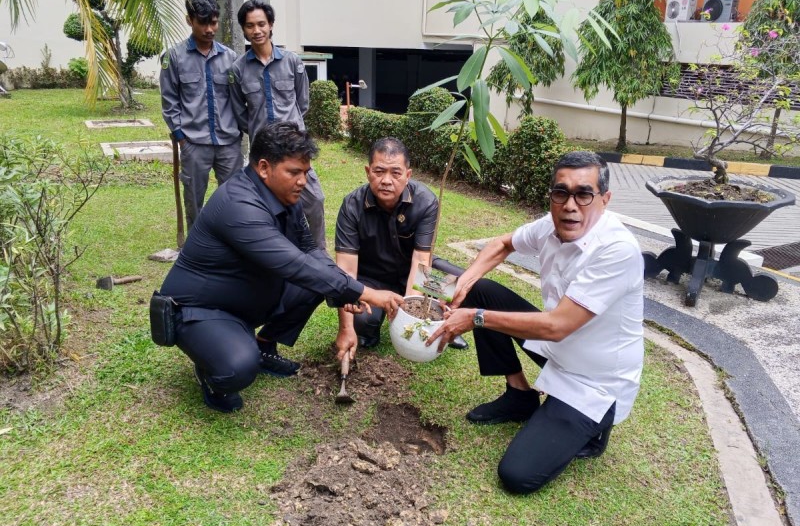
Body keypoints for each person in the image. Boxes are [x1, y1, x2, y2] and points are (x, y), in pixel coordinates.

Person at [428, 151, 644, 494]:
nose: (570, 206)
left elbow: (557, 326)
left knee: (517, 475)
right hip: (557, 349)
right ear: (552, 196)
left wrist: (476, 318)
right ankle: (519, 396)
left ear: (604, 199)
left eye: (583, 194)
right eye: (561, 193)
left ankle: (595, 427)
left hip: (593, 382)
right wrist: (464, 283)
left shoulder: (617, 250)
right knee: (481, 291)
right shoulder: (551, 225)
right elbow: (502, 244)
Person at [158, 122, 403, 413]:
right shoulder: (238, 205)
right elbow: (295, 265)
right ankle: (211, 372)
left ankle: (263, 345)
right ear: (264, 167)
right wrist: (369, 294)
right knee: (237, 367)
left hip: (244, 294)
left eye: (306, 173)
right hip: (201, 309)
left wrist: (346, 290)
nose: (302, 181)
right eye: (294, 172)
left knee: (318, 282)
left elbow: (310, 250)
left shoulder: (285, 197)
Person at [334, 137, 468, 357]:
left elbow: (421, 259)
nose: (386, 180)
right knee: (362, 319)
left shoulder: (425, 201)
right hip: (372, 277)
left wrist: (408, 313)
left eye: (396, 173)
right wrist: (346, 327)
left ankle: (443, 325)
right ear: (368, 172)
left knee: (461, 283)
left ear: (408, 175)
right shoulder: (352, 205)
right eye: (379, 171)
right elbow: (346, 270)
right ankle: (369, 330)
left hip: (413, 271)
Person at [229, 0, 327, 250]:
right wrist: (260, 132)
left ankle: (319, 254)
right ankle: (277, 253)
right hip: (263, 152)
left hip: (295, 147)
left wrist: (291, 130)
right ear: (244, 29)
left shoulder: (292, 61)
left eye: (261, 24)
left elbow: (302, 102)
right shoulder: (238, 69)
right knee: (265, 206)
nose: (257, 30)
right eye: (250, 26)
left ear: (271, 25)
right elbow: (241, 113)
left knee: (314, 200)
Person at [160, 0, 242, 232]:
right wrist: (181, 138)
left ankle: (230, 241)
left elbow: (238, 99)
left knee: (234, 198)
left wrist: (238, 133)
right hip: (194, 143)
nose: (209, 29)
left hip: (228, 143)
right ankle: (197, 244)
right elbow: (169, 101)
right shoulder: (174, 57)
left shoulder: (230, 58)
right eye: (203, 23)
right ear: (190, 20)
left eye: (213, 23)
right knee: (193, 199)